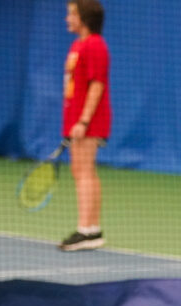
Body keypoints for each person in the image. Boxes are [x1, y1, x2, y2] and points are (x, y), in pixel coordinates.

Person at [59, 0, 110, 251]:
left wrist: (84, 120)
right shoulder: (77, 45)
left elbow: (97, 84)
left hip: (88, 120)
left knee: (85, 171)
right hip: (75, 120)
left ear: (84, 18)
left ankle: (87, 230)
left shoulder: (95, 45)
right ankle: (91, 229)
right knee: (79, 171)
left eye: (71, 14)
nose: (67, 18)